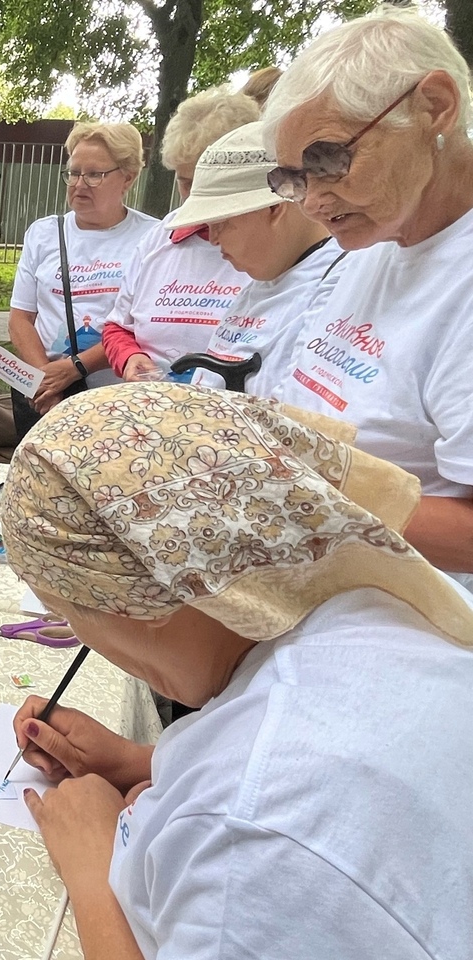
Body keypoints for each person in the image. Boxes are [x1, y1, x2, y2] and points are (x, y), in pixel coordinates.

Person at [0, 383, 473, 960]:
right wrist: (139, 763)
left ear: (132, 604)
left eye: (65, 612)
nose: (81, 637)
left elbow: (269, 822)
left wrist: (93, 868)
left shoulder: (247, 832)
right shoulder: (364, 614)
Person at [262, 6, 473, 582]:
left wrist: (286, 500)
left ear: (434, 106)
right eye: (291, 178)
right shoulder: (369, 237)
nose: (311, 202)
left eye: (327, 159)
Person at [163, 122, 341, 395]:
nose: (213, 239)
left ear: (273, 208)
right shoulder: (270, 275)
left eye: (221, 223)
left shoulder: (339, 289)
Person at [8, 122, 159, 436]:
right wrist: (45, 379)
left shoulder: (153, 237)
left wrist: (75, 368)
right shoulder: (44, 233)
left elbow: (144, 327)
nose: (79, 184)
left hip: (115, 400)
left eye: (94, 175)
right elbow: (21, 318)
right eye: (73, 173)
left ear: (128, 177)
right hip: (46, 396)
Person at [101, 88, 256, 382]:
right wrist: (130, 357)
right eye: (186, 183)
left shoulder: (274, 250)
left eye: (210, 184)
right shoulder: (158, 238)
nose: (196, 199)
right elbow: (118, 326)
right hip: (152, 412)